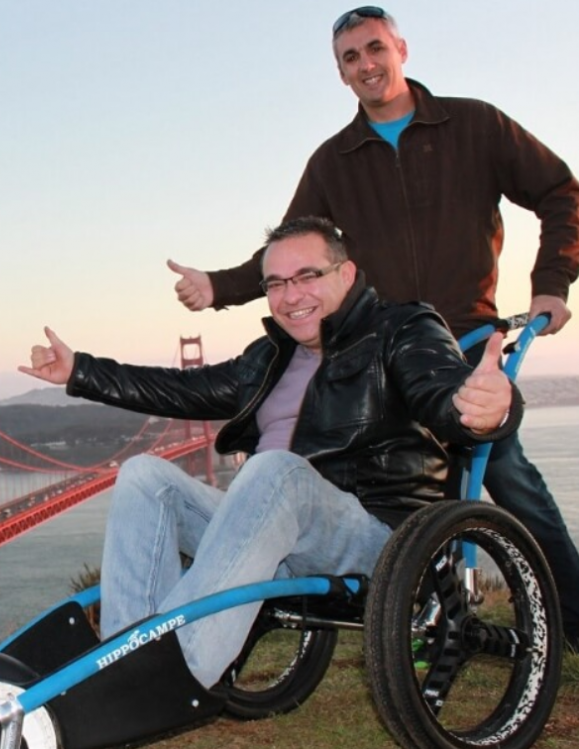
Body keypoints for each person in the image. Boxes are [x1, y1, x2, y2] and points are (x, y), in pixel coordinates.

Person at [167, 7, 579, 650]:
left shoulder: (475, 124)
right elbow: (291, 253)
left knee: (508, 479)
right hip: (378, 354)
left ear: (401, 49)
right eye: (350, 59)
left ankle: (573, 630)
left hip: (463, 345)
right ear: (340, 74)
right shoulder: (333, 160)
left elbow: (561, 191)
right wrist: (218, 287)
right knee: (356, 491)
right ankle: (403, 613)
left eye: (374, 49)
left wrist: (551, 283)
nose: (366, 65)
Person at [19, 216, 520, 688]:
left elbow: (443, 390)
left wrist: (483, 408)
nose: (290, 295)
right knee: (144, 475)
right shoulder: (269, 357)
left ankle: (176, 676)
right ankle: (125, 661)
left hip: (376, 536)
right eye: (276, 283)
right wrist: (79, 371)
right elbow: (179, 388)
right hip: (272, 530)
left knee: (276, 471)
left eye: (307, 276)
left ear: (346, 273)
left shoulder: (402, 328)